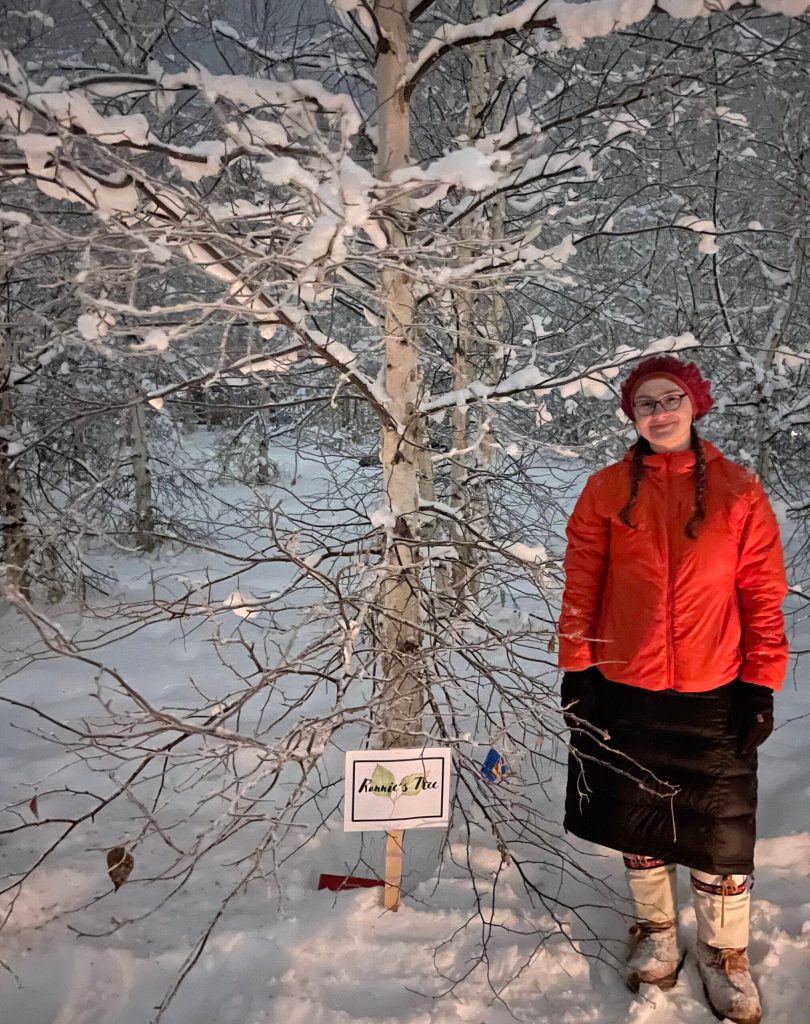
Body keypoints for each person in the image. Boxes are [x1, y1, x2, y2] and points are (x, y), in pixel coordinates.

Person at [557, 355, 788, 1024]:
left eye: (669, 399)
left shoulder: (739, 490)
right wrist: (579, 668)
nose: (658, 412)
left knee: (719, 829)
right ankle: (658, 932)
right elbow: (583, 587)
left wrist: (760, 683)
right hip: (625, 686)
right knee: (639, 817)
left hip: (715, 687)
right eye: (645, 403)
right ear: (632, 416)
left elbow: (761, 594)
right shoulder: (604, 491)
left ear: (695, 405)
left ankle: (724, 955)